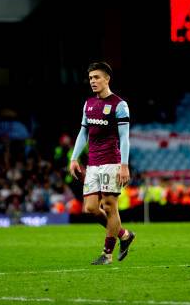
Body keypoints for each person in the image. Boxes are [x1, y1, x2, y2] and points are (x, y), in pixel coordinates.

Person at [69, 62, 135, 265]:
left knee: (109, 206)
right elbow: (83, 133)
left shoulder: (119, 105)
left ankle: (107, 254)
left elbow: (124, 138)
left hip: (111, 163)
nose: (93, 81)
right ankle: (124, 234)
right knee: (90, 208)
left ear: (107, 78)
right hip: (93, 164)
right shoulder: (88, 104)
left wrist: (124, 165)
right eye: (90, 78)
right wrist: (74, 158)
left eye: (97, 77)